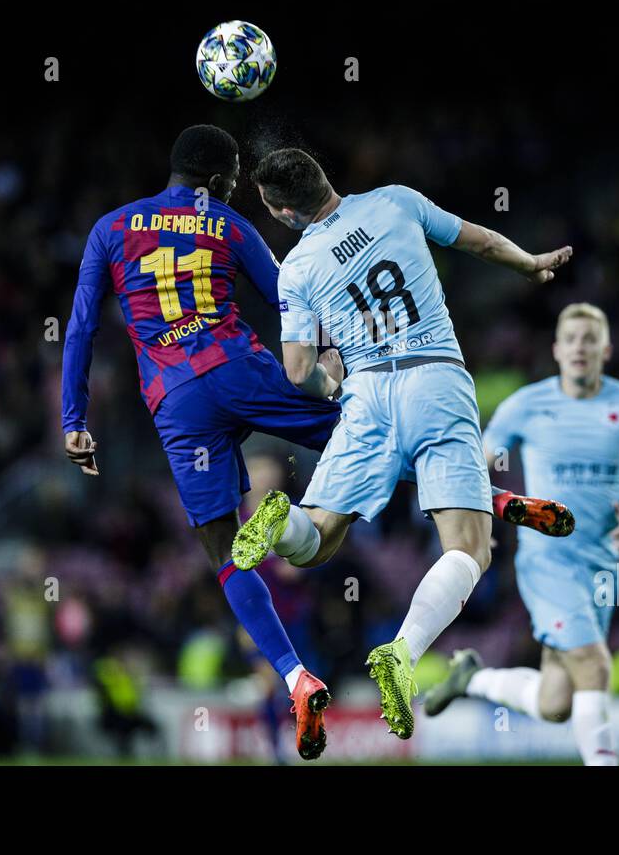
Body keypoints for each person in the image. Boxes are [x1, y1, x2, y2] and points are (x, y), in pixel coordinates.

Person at [61, 126, 571, 758]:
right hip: (257, 371)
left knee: (234, 550)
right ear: (223, 184)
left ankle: (296, 676)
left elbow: (81, 322)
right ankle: (488, 501)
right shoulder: (248, 223)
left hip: (176, 401)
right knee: (374, 441)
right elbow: (302, 333)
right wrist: (334, 376)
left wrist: (73, 419)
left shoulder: (110, 229)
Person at [233, 147, 573, 739]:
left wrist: (330, 381)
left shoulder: (298, 266)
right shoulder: (397, 200)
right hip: (436, 379)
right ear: (324, 178)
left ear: (285, 212)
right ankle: (404, 654)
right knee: (468, 548)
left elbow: (296, 371)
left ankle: (284, 520)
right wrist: (529, 264)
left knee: (313, 546)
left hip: (366, 393)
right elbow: (481, 242)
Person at [423, 303, 619, 766]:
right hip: (546, 560)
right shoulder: (525, 405)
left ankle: (471, 678)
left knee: (556, 703)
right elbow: (476, 464)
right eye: (571, 339)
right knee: (595, 666)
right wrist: (476, 518)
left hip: (603, 562)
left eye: (589, 339)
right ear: (556, 349)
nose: (580, 347)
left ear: (606, 349)